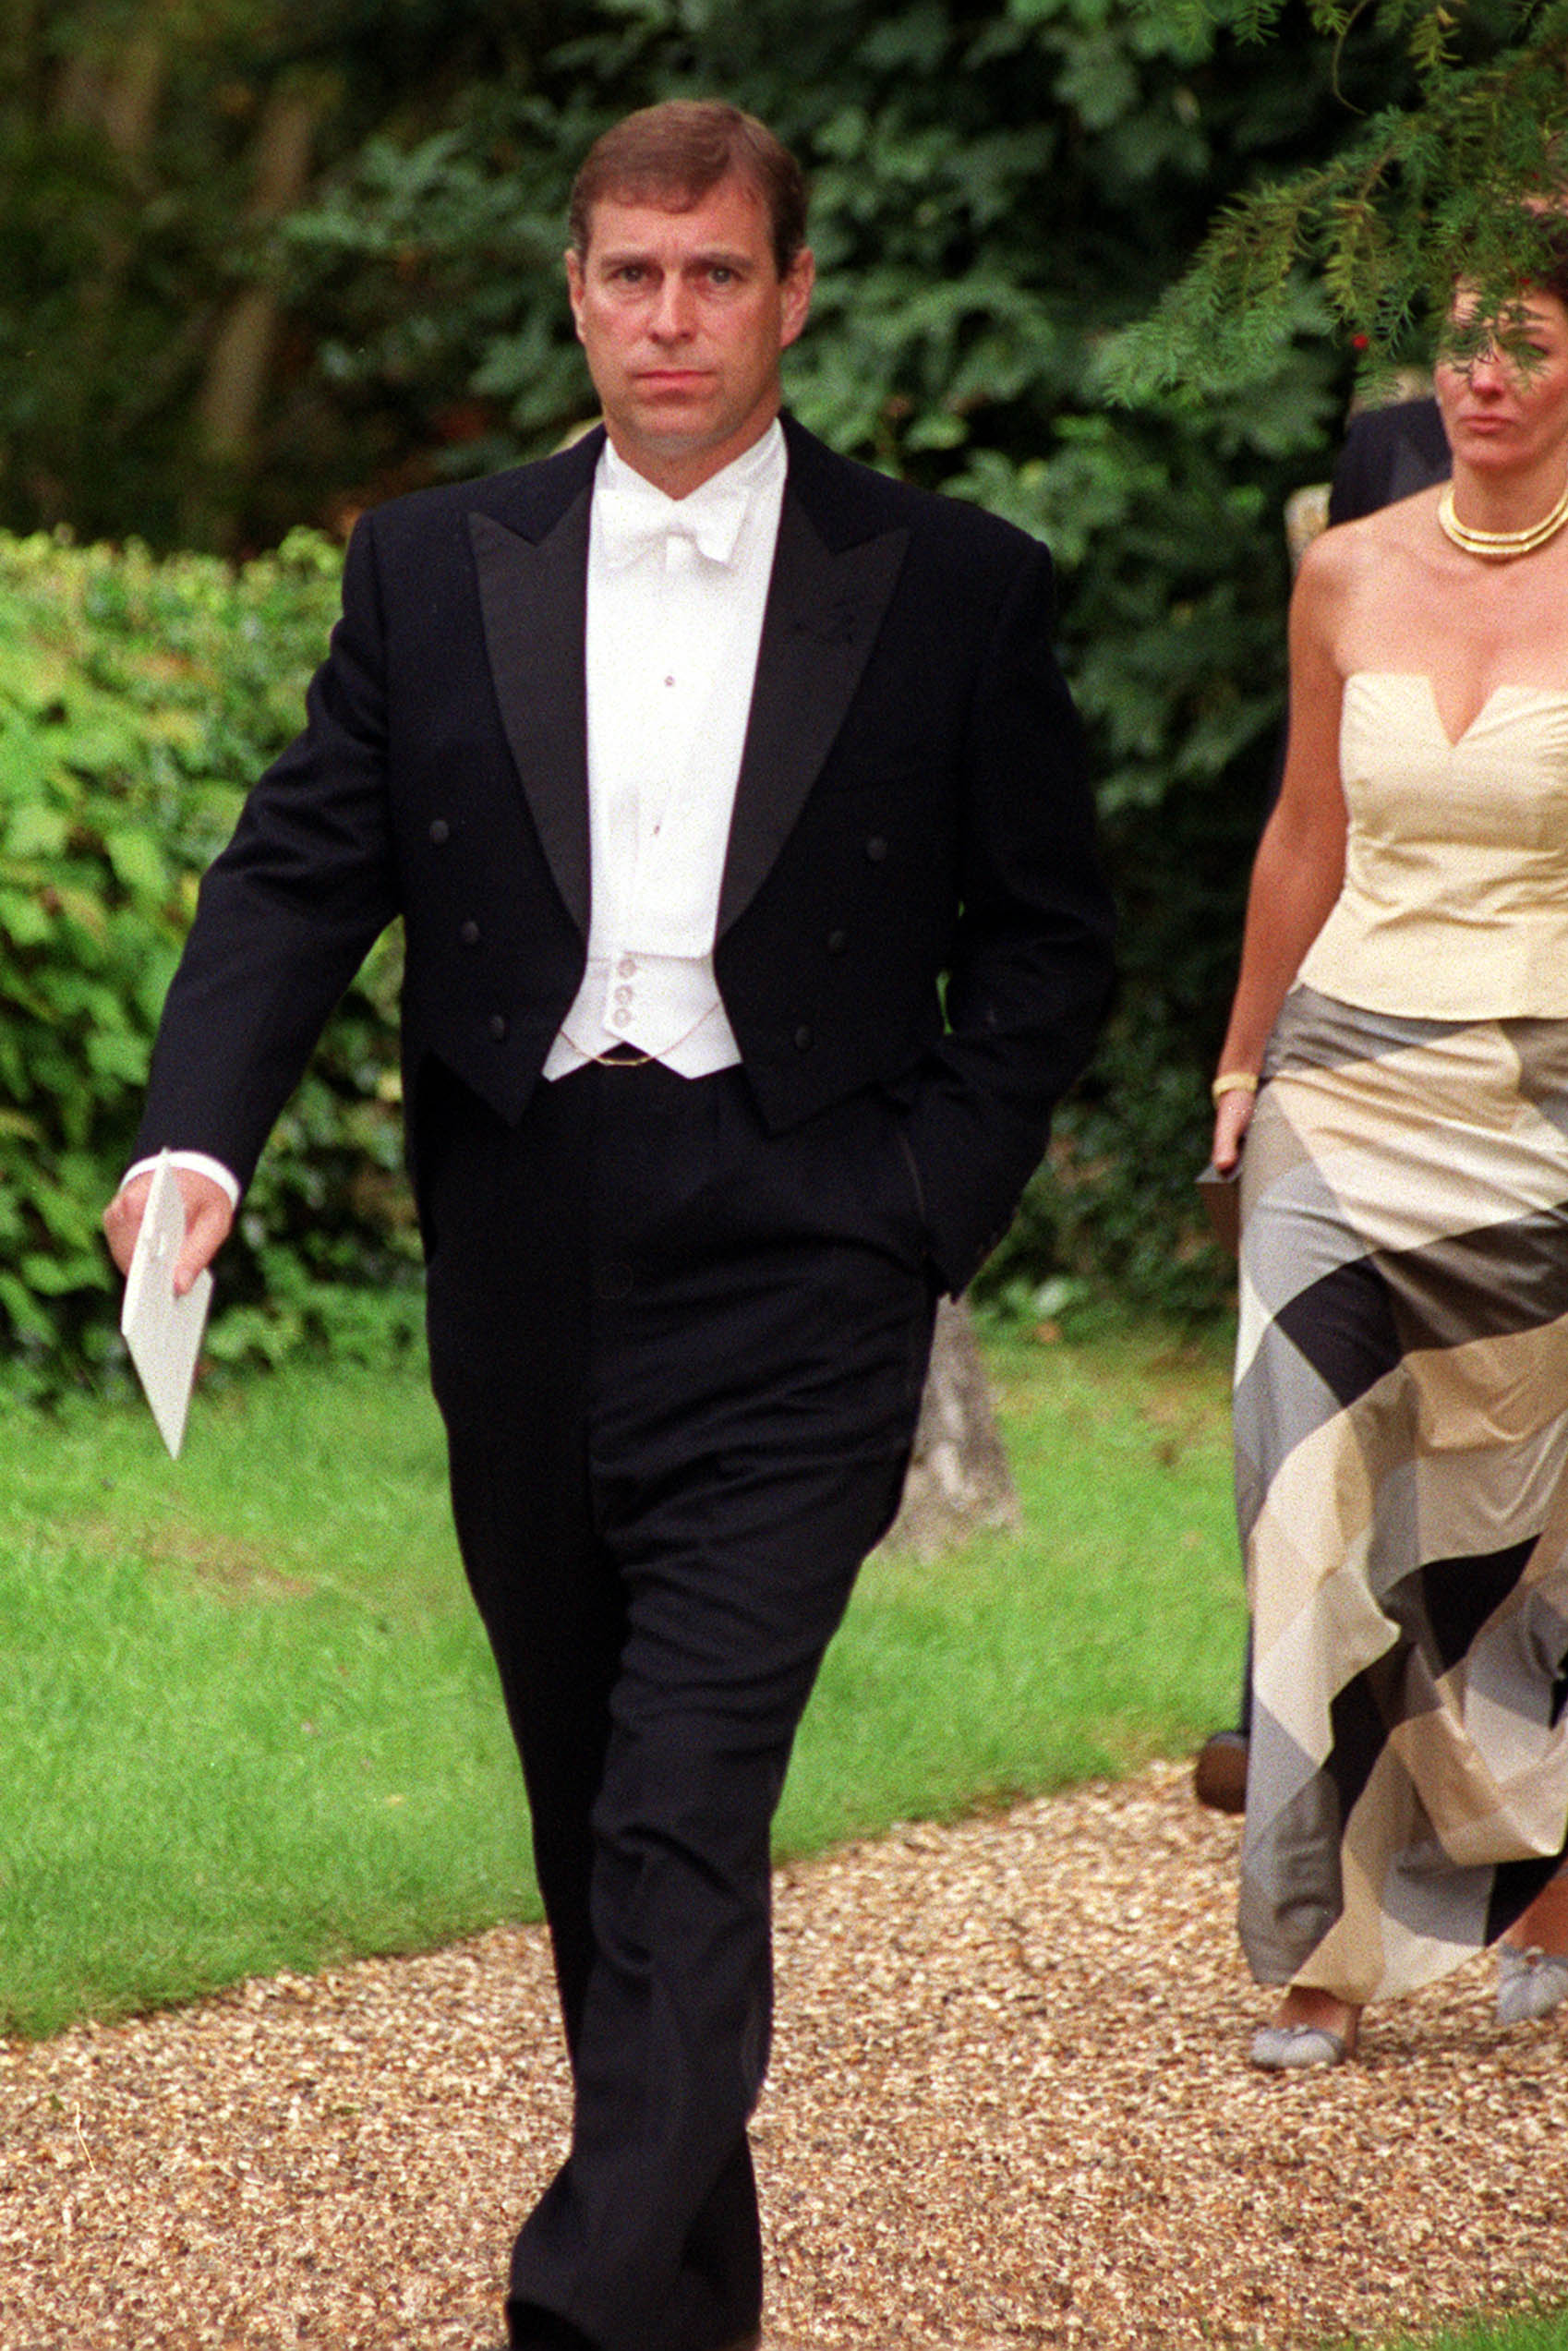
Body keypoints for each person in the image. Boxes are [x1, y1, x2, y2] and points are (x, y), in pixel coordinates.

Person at [103, 101, 1113, 2351]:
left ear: (792, 294)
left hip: (804, 1248)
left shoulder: (949, 586)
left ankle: (574, 2314)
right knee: (594, 1818)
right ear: (576, 289)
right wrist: (197, 1140)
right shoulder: (430, 559)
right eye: (632, 275)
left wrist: (917, 1206)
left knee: (679, 1800)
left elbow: (1050, 946)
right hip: (526, 1249)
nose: (672, 317)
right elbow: (295, 872)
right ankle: (688, 2314)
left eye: (716, 275)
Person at [1192, 230, 1568, 1822]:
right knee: (1309, 1472)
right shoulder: (1354, 536)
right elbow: (1298, 828)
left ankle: (1523, 1840)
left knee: (1502, 1497)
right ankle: (1313, 1921)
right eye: (1461, 337)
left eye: (1522, 340)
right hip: (1344, 1067)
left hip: (1557, 1070)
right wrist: (1239, 1063)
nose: (1482, 373)